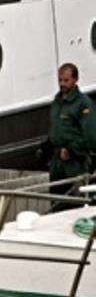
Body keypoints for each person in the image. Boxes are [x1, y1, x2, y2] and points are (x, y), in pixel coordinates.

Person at [48, 63, 96, 206]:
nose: (62, 84)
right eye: (60, 80)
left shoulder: (83, 103)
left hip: (74, 163)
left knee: (75, 203)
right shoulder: (57, 102)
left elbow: (91, 136)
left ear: (75, 80)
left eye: (66, 80)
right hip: (57, 162)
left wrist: (72, 150)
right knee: (57, 202)